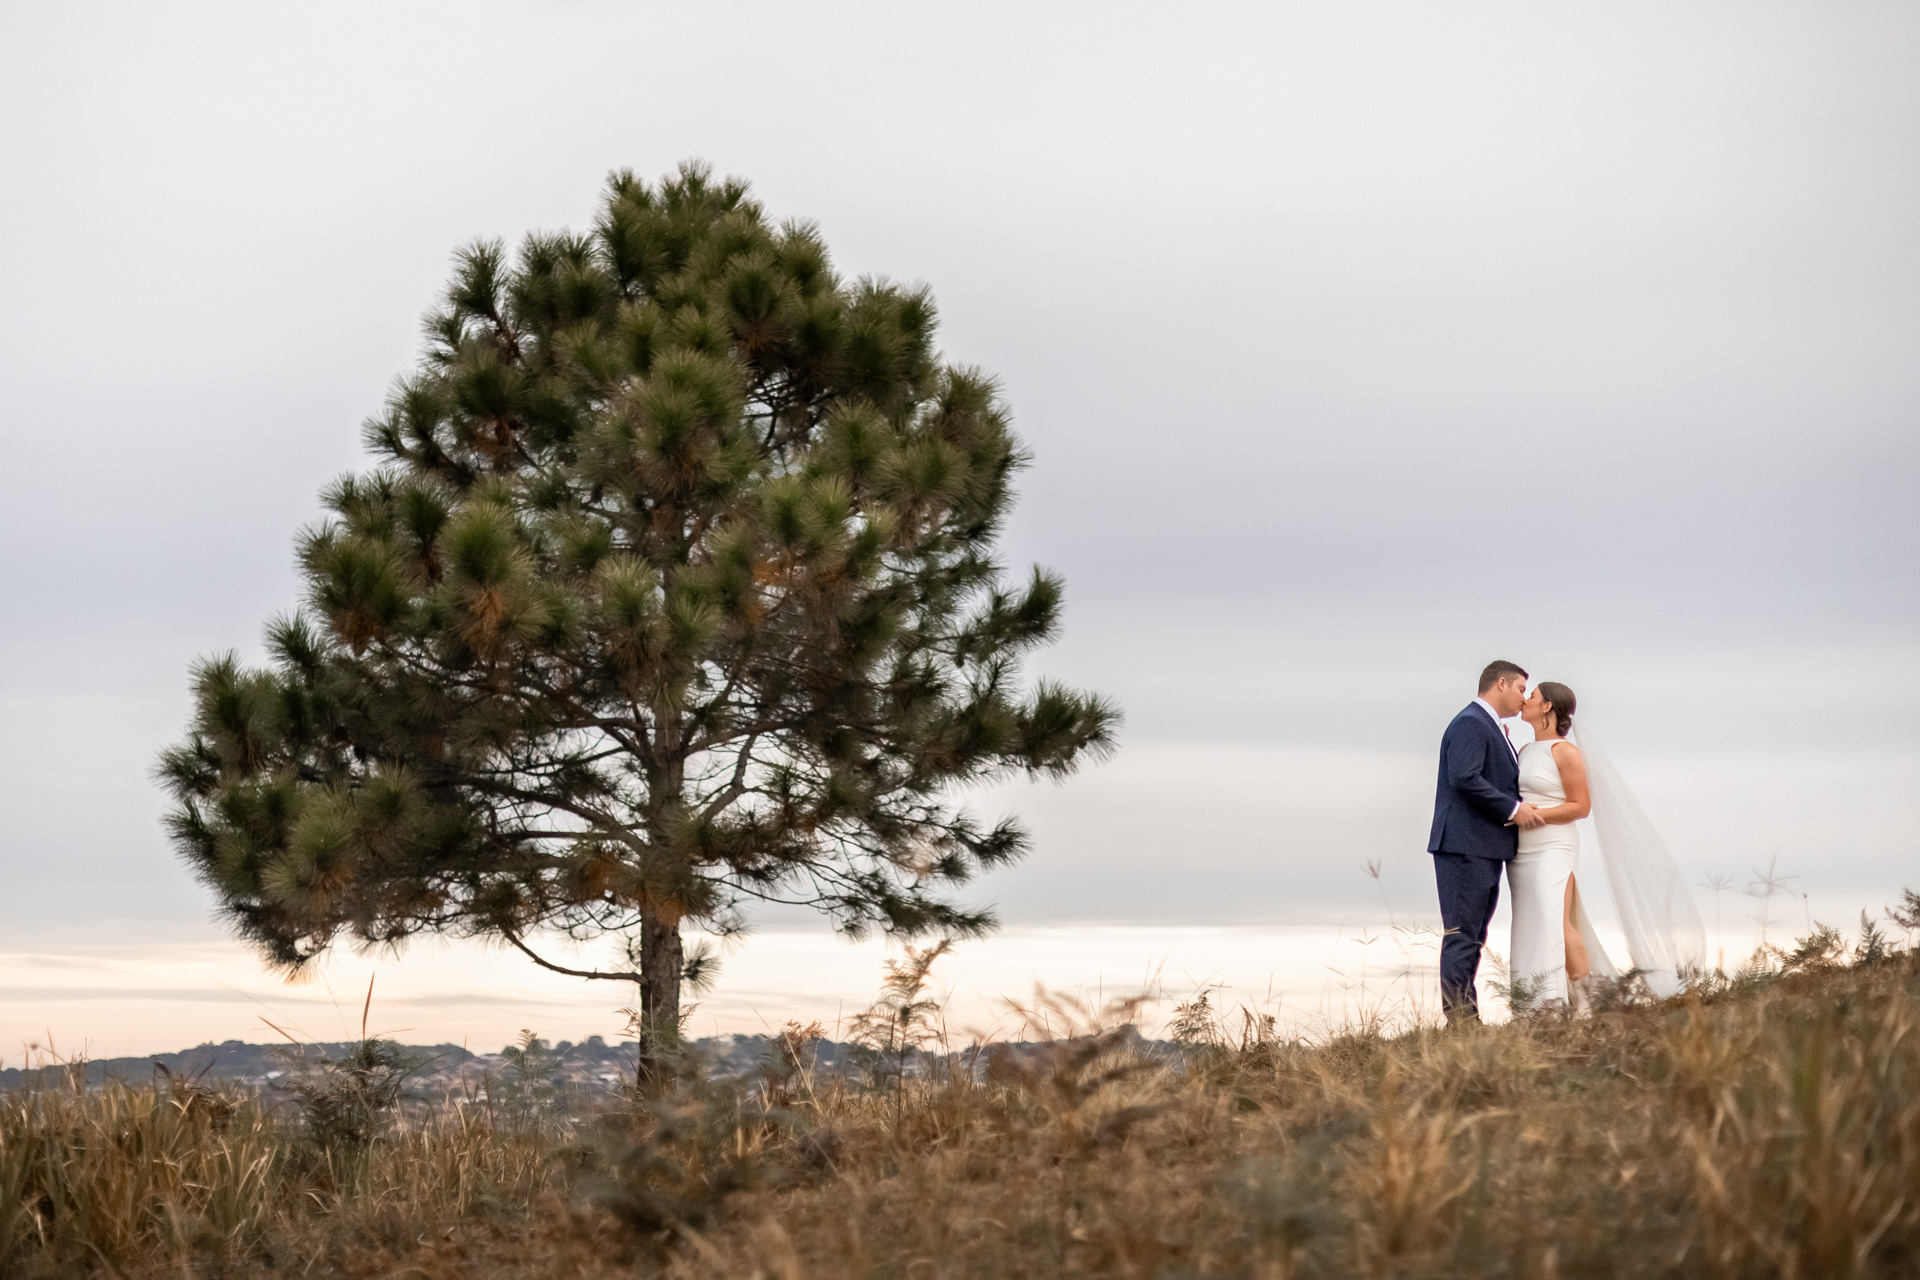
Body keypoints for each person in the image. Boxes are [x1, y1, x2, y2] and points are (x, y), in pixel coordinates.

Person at [1426, 659, 1543, 1024]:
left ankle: (1465, 1017)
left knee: (1473, 934)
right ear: (1502, 683)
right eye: (1522, 688)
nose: (1524, 697)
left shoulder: (1489, 726)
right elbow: (1464, 778)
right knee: (1462, 935)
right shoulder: (1471, 723)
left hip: (1481, 847)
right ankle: (1460, 1022)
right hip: (1464, 846)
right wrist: (1513, 809)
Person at [1509, 681, 1609, 1014]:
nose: (1525, 700)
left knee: (1557, 919)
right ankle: (1535, 1003)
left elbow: (1581, 806)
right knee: (1532, 919)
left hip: (1553, 844)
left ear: (1548, 706)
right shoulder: (1524, 750)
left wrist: (1537, 815)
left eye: (1532, 696)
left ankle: (1584, 1003)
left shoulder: (1565, 752)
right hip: (1522, 849)